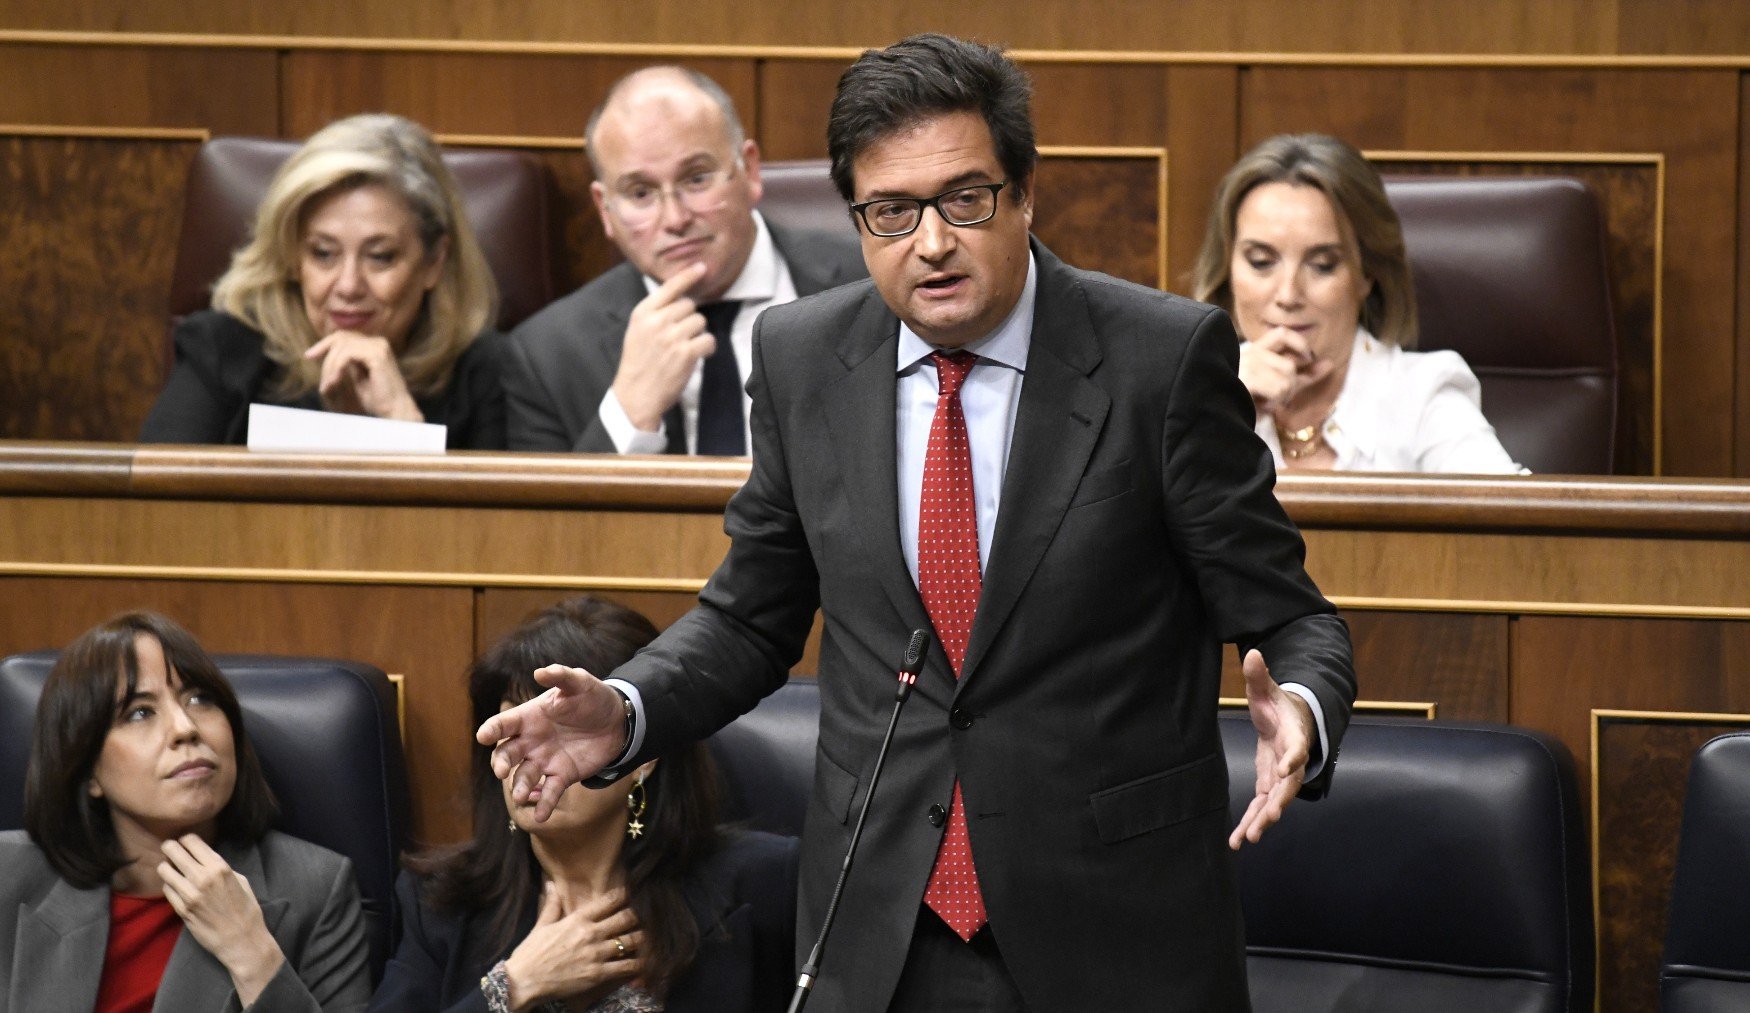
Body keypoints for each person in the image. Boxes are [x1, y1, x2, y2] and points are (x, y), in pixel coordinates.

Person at [480, 34, 1355, 1013]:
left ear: (1025, 193)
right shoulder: (804, 355)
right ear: (855, 217)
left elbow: (1293, 619)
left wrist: (1304, 715)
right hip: (881, 931)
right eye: (892, 212)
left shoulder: (1161, 358)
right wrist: (629, 707)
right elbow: (748, 617)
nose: (930, 241)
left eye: (964, 199)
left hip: (1115, 934)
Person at [371, 595, 799, 1013]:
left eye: (561, 731)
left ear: (643, 757)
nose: (532, 757)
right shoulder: (440, 902)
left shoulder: (764, 885)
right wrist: (515, 985)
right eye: (515, 728)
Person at [0, 612, 367, 1010]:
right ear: (88, 771)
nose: (185, 727)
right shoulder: (9, 876)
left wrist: (252, 953)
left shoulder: (315, 888)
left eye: (200, 699)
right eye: (139, 712)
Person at [502, 66, 865, 454]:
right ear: (604, 209)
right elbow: (550, 516)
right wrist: (628, 414)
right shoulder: (547, 355)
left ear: (750, 170)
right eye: (640, 193)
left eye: (696, 179)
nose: (675, 219)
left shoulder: (869, 287)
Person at [140, 113, 509, 449]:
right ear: (293, 256)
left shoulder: (484, 372)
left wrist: (403, 425)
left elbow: (488, 524)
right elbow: (157, 512)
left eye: (380, 257)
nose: (348, 286)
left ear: (433, 263)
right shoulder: (222, 350)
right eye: (323, 254)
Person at [1193, 133, 1526, 473]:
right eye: (1261, 261)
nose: (1288, 295)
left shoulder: (1420, 395)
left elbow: (1524, 516)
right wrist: (1215, 400)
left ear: (1367, 273)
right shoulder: (1195, 391)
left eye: (1323, 265)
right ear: (1228, 267)